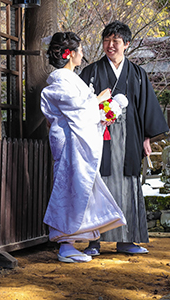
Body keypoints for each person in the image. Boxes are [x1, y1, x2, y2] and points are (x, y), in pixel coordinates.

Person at [79, 21, 169, 255]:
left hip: (130, 135)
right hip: (99, 135)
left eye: (116, 41)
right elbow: (80, 105)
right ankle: (94, 241)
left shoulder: (137, 74)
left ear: (126, 44)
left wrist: (147, 137)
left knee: (129, 184)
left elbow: (145, 108)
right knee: (99, 184)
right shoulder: (91, 72)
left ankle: (127, 240)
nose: (110, 45)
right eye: (106, 40)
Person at [40, 31, 127, 263]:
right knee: (68, 188)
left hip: (76, 141)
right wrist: (98, 101)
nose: (82, 54)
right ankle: (65, 244)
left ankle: (70, 242)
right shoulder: (61, 81)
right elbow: (77, 110)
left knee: (80, 189)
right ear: (70, 55)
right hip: (70, 143)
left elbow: (83, 110)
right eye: (79, 50)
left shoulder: (70, 79)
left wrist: (104, 113)